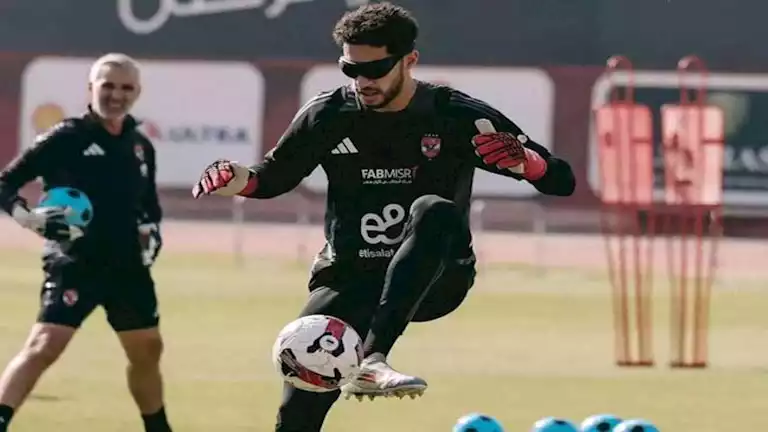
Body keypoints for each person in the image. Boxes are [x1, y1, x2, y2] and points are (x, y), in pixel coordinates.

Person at [192, 3, 575, 431]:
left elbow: (562, 180)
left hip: (437, 277)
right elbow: (272, 177)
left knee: (434, 209)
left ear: (409, 60)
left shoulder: (455, 114)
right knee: (298, 410)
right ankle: (358, 368)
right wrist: (238, 179)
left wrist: (528, 164)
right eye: (351, 70)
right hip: (351, 274)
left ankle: (373, 359)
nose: (362, 81)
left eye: (375, 69)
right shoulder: (328, 114)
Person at [0, 53, 171, 432]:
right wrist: (27, 217)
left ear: (137, 92)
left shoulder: (141, 145)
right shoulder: (65, 137)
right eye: (107, 85)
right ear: (90, 88)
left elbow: (149, 207)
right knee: (45, 345)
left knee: (147, 351)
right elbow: (5, 183)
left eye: (126, 87)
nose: (116, 95)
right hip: (75, 262)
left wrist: (152, 233)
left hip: (128, 265)